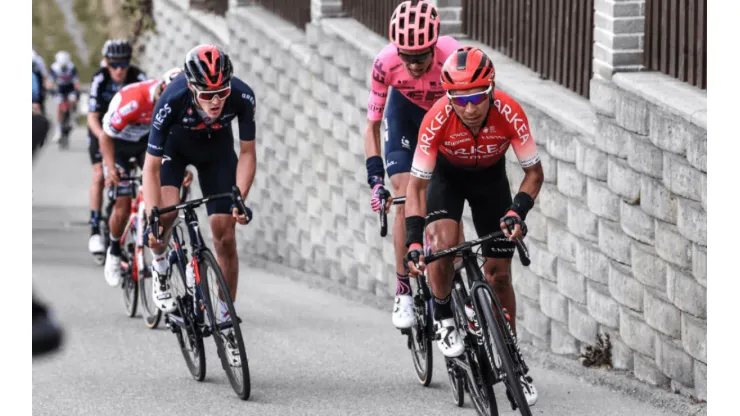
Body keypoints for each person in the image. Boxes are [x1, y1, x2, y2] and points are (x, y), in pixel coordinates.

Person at [404, 46, 543, 406]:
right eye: (459, 99)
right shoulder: (436, 120)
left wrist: (517, 212)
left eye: (478, 97)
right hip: (446, 181)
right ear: (448, 96)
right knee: (444, 243)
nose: (469, 107)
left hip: (491, 182)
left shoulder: (509, 112)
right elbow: (416, 188)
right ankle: (444, 314)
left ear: (491, 90)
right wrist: (415, 243)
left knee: (499, 276)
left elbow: (534, 174)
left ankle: (512, 360)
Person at [143, 45, 256, 348]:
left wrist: (239, 199)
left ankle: (224, 316)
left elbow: (246, 153)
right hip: (174, 152)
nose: (216, 100)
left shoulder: (242, 96)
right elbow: (151, 168)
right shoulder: (171, 100)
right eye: (206, 94)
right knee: (165, 215)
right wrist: (153, 215)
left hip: (216, 153)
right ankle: (162, 265)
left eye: (221, 92)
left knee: (225, 236)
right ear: (192, 88)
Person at [363, 0, 462, 330]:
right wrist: (375, 179)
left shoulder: (453, 56)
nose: (415, 64)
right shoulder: (384, 63)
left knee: (447, 196)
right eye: (407, 56)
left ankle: (455, 284)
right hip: (404, 119)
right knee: (405, 196)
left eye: (421, 56)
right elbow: (372, 126)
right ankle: (403, 287)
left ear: (434, 45)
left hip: (445, 121)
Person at [100, 68, 189, 286]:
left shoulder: (175, 104)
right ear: (160, 91)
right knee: (121, 204)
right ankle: (113, 250)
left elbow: (174, 141)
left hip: (145, 146)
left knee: (162, 185)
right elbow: (105, 137)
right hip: (118, 145)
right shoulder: (135, 101)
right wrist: (111, 168)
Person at [87, 39, 147, 261]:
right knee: (99, 174)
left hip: (133, 134)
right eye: (114, 65)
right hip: (104, 132)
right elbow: (92, 117)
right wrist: (104, 138)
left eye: (123, 65)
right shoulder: (100, 79)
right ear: (106, 63)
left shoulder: (138, 77)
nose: (119, 70)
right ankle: (94, 229)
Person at [49, 51, 80, 142]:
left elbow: (76, 81)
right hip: (60, 88)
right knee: (59, 106)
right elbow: (50, 81)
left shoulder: (72, 67)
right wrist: (50, 89)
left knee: (73, 100)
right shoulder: (54, 68)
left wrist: (77, 90)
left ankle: (74, 117)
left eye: (64, 66)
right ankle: (58, 130)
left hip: (70, 88)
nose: (63, 68)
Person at [32, 49, 49, 116]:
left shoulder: (39, 61)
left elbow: (45, 75)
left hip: (38, 84)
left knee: (40, 101)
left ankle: (42, 118)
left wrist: (46, 86)